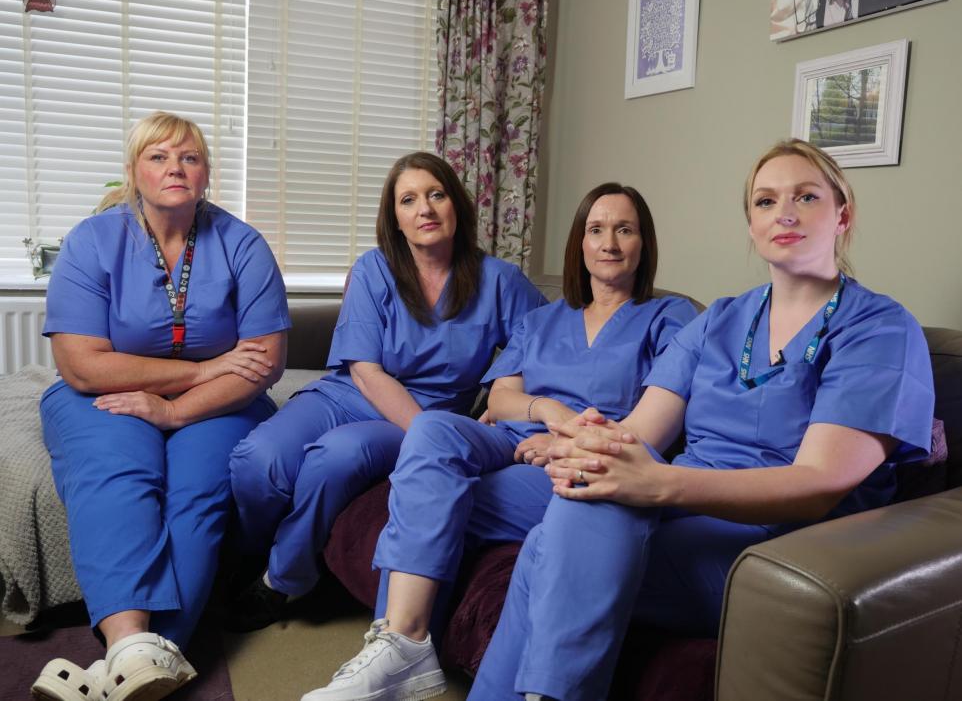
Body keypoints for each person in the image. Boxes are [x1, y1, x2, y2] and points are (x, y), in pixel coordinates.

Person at [470, 139, 935, 701]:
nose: (784, 213)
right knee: (579, 503)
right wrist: (584, 445)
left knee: (550, 550)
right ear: (751, 225)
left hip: (789, 540)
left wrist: (658, 483)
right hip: (687, 505)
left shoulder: (880, 328)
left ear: (843, 215)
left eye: (806, 197)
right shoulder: (720, 318)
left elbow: (818, 485)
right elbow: (639, 432)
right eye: (766, 201)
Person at [299, 182, 698, 701]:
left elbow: (654, 423)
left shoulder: (671, 318)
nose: (609, 243)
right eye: (596, 230)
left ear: (644, 243)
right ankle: (398, 644)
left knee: (432, 500)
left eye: (625, 230)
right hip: (512, 438)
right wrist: (546, 411)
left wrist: (562, 442)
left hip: (581, 463)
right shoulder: (544, 318)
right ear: (579, 243)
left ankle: (400, 648)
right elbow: (503, 396)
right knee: (432, 429)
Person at [31, 111, 291, 701]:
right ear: (133, 172)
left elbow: (264, 363)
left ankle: (137, 663)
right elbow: (83, 365)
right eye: (158, 156)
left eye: (189, 157)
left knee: (197, 492)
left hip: (221, 403)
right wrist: (201, 368)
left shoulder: (243, 245)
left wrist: (176, 410)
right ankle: (131, 647)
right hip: (101, 395)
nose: (175, 167)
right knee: (116, 470)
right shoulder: (91, 241)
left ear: (205, 175)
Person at [226, 152, 545, 630]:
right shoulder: (373, 269)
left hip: (418, 415)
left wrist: (501, 400)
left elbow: (543, 346)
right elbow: (365, 371)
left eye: (436, 195)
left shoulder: (500, 280)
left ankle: (283, 578)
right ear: (394, 217)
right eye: (408, 200)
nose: (425, 209)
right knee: (257, 459)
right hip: (347, 393)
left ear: (457, 205)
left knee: (334, 459)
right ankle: (246, 557)